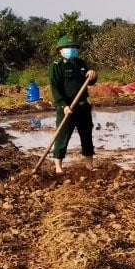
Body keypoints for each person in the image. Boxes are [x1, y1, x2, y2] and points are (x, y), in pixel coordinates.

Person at [48, 35, 99, 174]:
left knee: (86, 135)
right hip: (67, 108)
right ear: (61, 50)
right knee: (62, 137)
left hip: (83, 107)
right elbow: (55, 88)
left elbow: (90, 81)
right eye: (68, 48)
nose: (71, 50)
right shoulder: (56, 66)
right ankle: (58, 167)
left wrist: (92, 75)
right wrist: (64, 105)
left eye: (74, 48)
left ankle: (89, 164)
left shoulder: (81, 63)